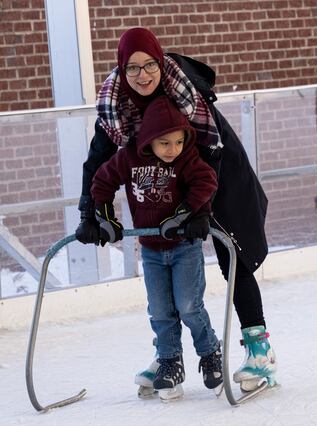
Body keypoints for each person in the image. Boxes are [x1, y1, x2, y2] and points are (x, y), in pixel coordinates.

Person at [76, 28, 277, 393]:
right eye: (132, 68)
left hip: (218, 171)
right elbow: (98, 162)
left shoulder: (185, 93)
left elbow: (211, 150)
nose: (142, 75)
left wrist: (200, 209)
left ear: (160, 61)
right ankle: (168, 353)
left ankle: (259, 352)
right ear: (122, 69)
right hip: (169, 184)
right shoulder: (114, 105)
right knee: (163, 271)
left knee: (234, 255)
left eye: (149, 64)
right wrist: (89, 213)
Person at [91, 95, 221, 401]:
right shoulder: (130, 158)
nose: (172, 149)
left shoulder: (186, 158)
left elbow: (207, 180)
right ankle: (169, 362)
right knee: (161, 311)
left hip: (184, 247)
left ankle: (210, 352)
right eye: (165, 143)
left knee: (189, 306)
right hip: (150, 250)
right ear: (149, 139)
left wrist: (186, 212)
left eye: (178, 142)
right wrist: (104, 215)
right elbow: (102, 181)